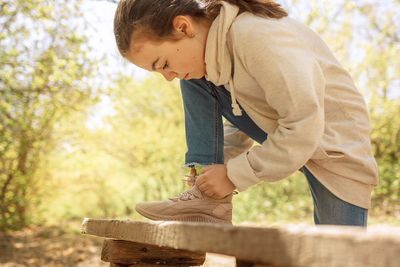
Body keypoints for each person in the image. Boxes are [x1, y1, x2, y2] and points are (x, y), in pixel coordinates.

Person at [113, 0, 379, 226]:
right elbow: (247, 114)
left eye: (163, 64)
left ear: (183, 27)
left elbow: (304, 124)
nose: (167, 77)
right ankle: (204, 199)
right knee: (193, 78)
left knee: (339, 256)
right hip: (296, 134)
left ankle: (207, 200)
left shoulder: (254, 36)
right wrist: (212, 180)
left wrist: (232, 175)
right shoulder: (218, 55)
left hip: (336, 150)